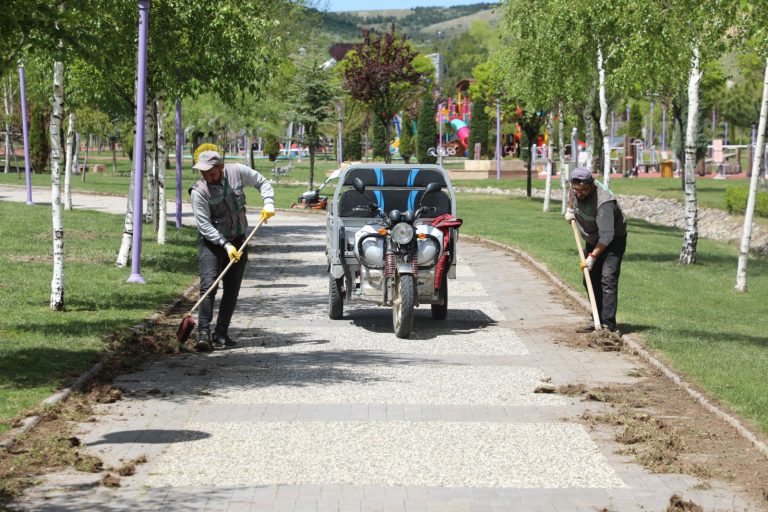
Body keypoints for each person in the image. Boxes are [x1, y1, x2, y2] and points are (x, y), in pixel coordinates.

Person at [190, 150, 275, 352]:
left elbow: (262, 182)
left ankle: (221, 333)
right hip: (212, 243)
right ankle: (203, 334)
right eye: (203, 173)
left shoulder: (237, 171)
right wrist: (226, 246)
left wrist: (268, 202)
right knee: (208, 286)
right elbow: (204, 226)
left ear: (221, 168)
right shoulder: (199, 191)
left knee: (232, 289)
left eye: (210, 173)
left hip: (238, 240)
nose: (206, 177)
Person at [565, 166, 627, 333]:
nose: (580, 193)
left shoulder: (604, 202)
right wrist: (570, 209)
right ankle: (596, 319)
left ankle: (607, 324)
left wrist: (592, 257)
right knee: (589, 279)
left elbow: (606, 237)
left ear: (591, 185)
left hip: (613, 240)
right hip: (593, 238)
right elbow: (571, 196)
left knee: (607, 278)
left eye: (584, 190)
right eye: (577, 189)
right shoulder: (574, 189)